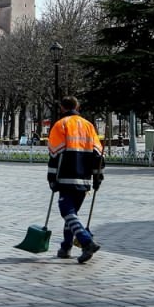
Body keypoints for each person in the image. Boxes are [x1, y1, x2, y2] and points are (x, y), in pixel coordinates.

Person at [47, 96, 105, 263]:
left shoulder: (61, 125)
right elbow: (98, 155)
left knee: (66, 211)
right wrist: (97, 176)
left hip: (66, 176)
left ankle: (86, 241)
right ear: (77, 106)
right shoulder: (88, 126)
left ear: (61, 107)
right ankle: (66, 247)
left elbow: (54, 155)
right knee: (72, 214)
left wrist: (51, 178)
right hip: (84, 179)